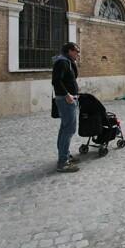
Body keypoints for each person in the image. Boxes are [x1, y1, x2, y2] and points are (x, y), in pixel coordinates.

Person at [52, 42, 81, 173]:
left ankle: (65, 155)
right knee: (69, 129)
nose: (78, 54)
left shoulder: (66, 61)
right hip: (66, 100)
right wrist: (67, 94)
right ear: (69, 51)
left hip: (67, 98)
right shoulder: (62, 62)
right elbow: (56, 81)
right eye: (76, 51)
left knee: (65, 128)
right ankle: (63, 162)